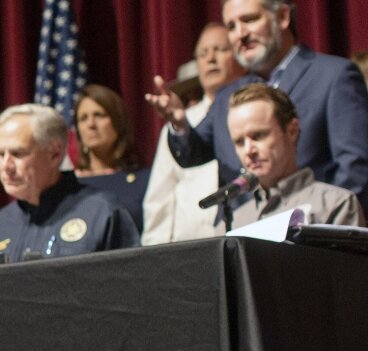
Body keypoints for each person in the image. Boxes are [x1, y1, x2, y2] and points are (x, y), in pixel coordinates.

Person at [145, 0, 368, 211]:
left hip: (312, 236)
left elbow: (355, 169)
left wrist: (328, 227)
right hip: (242, 236)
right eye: (231, 26)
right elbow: (191, 153)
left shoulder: (333, 76)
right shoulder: (227, 96)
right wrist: (180, 124)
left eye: (249, 19)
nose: (240, 34)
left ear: (282, 17)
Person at [0, 104, 140, 262]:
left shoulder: (102, 212)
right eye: (0, 154)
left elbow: (131, 280)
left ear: (55, 154)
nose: (6, 166)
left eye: (18, 154)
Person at [143, 23, 246, 244]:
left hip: (243, 239)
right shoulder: (180, 123)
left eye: (220, 50)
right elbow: (159, 199)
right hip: (189, 250)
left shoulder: (253, 115)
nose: (210, 59)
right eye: (203, 53)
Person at [223, 84, 366, 228]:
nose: (249, 150)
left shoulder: (335, 204)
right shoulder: (230, 224)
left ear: (292, 130)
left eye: (259, 135)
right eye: (239, 142)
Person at [73, 84, 151, 231]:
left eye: (99, 115)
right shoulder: (67, 185)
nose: (91, 124)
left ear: (118, 121)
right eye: (83, 118)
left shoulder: (144, 180)